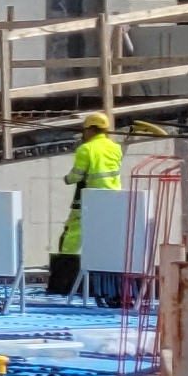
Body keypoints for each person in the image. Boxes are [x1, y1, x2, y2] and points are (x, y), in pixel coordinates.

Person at [49, 108, 126, 295]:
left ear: (91, 129)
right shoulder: (116, 148)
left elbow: (77, 175)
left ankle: (64, 282)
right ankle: (108, 287)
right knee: (105, 238)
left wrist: (67, 179)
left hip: (90, 200)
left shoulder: (86, 149)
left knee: (71, 238)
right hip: (113, 199)